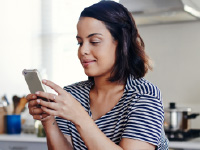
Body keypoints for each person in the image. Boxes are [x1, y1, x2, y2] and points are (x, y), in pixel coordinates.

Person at [26, 1, 169, 150]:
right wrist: (48, 120)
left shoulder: (144, 95)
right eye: (80, 43)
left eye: (94, 41)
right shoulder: (72, 95)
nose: (83, 51)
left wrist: (79, 116)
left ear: (121, 44)